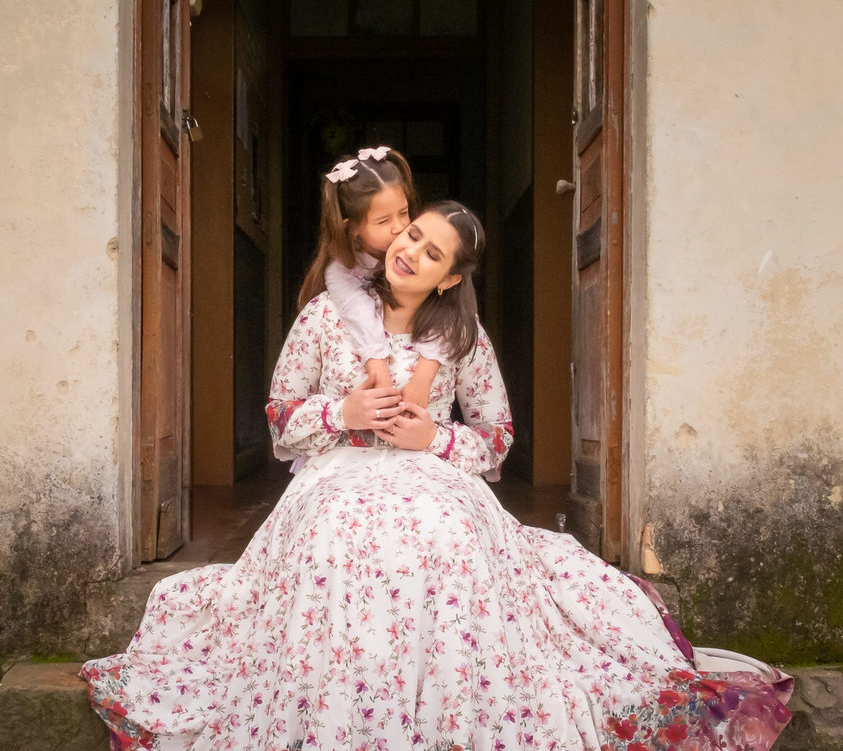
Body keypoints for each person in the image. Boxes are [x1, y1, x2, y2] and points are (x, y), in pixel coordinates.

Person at [82, 202, 792, 751]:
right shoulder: (324, 317)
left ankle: (450, 716)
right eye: (409, 234)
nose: (409, 250)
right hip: (337, 473)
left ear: (450, 275)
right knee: (335, 540)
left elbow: (497, 438)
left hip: (433, 476)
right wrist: (344, 410)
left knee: (446, 537)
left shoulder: (462, 338)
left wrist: (435, 438)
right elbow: (278, 423)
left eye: (430, 251)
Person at [298, 145, 447, 407]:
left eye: (404, 212)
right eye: (383, 221)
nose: (400, 226)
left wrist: (424, 375)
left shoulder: (421, 260)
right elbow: (357, 308)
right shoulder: (340, 274)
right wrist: (376, 361)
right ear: (352, 229)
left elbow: (451, 309)